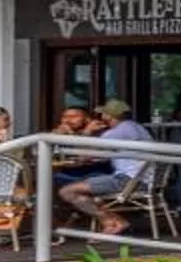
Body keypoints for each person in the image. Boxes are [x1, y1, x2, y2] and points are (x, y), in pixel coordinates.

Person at [57, 99, 152, 236]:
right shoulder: (134, 127)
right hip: (143, 179)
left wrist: (87, 132)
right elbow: (106, 154)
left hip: (128, 181)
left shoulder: (117, 132)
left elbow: (84, 154)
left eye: (103, 113)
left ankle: (109, 221)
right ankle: (115, 220)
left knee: (67, 191)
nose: (101, 116)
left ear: (108, 116)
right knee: (90, 191)